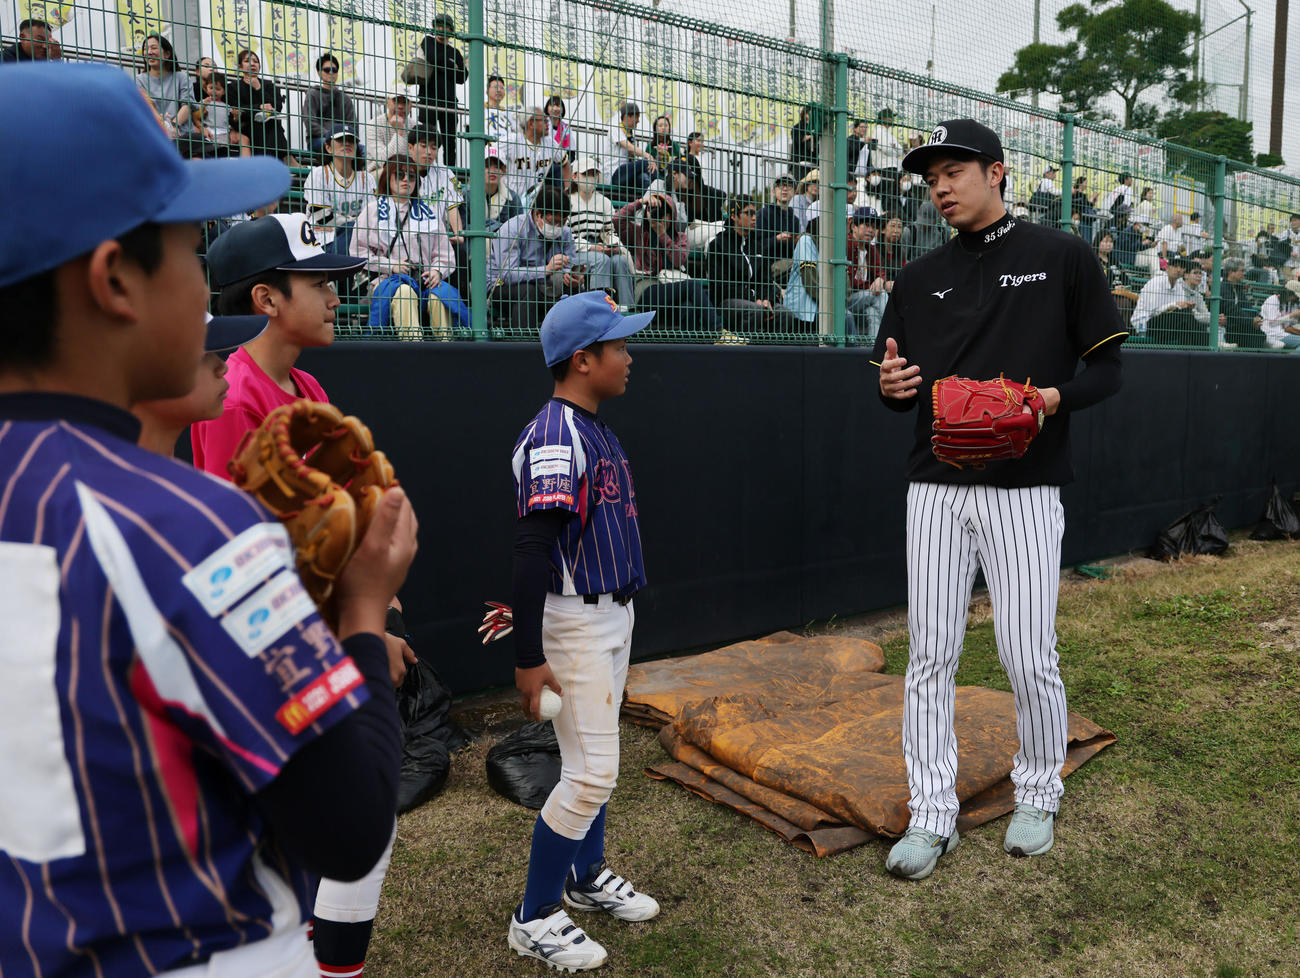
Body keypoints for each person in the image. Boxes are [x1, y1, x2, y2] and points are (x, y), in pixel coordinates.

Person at [0, 61, 414, 977]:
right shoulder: (190, 524)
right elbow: (347, 826)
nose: (205, 288)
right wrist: (363, 614)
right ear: (115, 280)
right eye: (191, 250)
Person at [873, 119, 1125, 881]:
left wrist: (1049, 398)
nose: (940, 187)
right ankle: (930, 812)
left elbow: (1108, 373)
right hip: (936, 486)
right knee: (929, 654)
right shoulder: (918, 278)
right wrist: (888, 387)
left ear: (997, 172)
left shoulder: (1061, 257)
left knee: (1025, 651)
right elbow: (895, 386)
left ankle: (1039, 790)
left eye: (954, 171)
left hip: (1024, 487)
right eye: (930, 178)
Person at [505, 291, 660, 972]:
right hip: (572, 619)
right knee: (593, 773)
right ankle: (534, 914)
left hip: (608, 612)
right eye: (618, 346)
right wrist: (527, 653)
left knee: (595, 764)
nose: (629, 356)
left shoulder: (593, 425)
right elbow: (533, 546)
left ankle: (585, 875)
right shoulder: (555, 434)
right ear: (582, 360)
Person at [191, 212, 367, 475]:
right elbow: (238, 515)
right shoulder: (234, 401)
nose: (334, 300)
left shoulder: (308, 385)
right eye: (319, 284)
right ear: (267, 299)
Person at [350, 155, 464, 340]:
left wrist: (437, 271)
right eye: (399, 174)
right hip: (387, 280)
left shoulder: (430, 212)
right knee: (404, 292)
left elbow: (445, 255)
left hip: (425, 280)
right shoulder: (372, 210)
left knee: (441, 296)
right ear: (388, 177)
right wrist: (391, 265)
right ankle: (413, 348)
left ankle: (446, 348)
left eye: (411, 176)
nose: (405, 180)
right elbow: (358, 252)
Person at [613, 191, 723, 334]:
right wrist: (641, 202)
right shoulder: (639, 234)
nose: (658, 216)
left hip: (672, 290)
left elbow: (679, 260)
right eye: (653, 212)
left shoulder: (680, 238)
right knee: (693, 286)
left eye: (663, 213)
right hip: (647, 290)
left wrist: (662, 235)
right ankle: (718, 331)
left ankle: (690, 349)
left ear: (672, 216)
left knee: (688, 307)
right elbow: (617, 220)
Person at [488, 183, 585, 332]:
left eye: (563, 221)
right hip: (501, 287)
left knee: (576, 291)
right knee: (528, 290)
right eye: (553, 221)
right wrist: (546, 270)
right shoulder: (513, 228)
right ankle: (524, 343)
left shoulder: (565, 233)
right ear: (538, 214)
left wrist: (572, 278)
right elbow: (506, 274)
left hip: (545, 287)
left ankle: (570, 346)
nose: (558, 226)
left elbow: (569, 266)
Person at [705, 195, 798, 335]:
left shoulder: (757, 245)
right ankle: (747, 352)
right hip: (727, 302)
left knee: (785, 313)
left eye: (755, 213)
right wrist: (755, 299)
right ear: (734, 216)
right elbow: (721, 286)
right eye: (748, 213)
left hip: (755, 301)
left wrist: (767, 299)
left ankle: (773, 353)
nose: (754, 217)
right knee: (755, 310)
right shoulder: (718, 245)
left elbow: (765, 280)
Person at [569, 156, 635, 308]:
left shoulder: (604, 201)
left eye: (594, 174)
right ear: (574, 176)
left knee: (620, 261)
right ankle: (599, 308)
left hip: (600, 248)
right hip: (576, 252)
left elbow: (609, 230)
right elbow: (567, 237)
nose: (591, 178)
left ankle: (627, 309)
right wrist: (593, 248)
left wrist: (614, 245)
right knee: (601, 260)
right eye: (586, 174)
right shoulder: (567, 200)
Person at [303, 125, 375, 253]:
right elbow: (321, 216)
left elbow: (370, 218)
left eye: (351, 140)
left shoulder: (366, 178)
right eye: (341, 140)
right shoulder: (319, 174)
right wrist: (352, 224)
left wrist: (351, 225)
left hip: (358, 241)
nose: (347, 143)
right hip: (322, 242)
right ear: (328, 148)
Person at [406, 13, 466, 167]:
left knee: (449, 143)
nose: (441, 30)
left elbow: (462, 77)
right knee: (426, 140)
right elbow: (433, 58)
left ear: (451, 31)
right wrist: (452, 66)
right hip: (429, 101)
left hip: (450, 104)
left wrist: (444, 65)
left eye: (445, 27)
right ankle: (425, 171)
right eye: (438, 26)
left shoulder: (456, 52)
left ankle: (451, 174)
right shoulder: (428, 41)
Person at [227, 48, 299, 166]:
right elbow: (237, 110)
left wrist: (258, 89)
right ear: (240, 67)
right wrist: (259, 107)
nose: (252, 64)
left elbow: (277, 107)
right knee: (266, 125)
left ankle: (276, 163)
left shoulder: (268, 85)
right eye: (247, 61)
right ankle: (287, 159)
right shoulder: (233, 87)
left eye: (255, 61)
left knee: (271, 123)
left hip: (268, 126)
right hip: (247, 127)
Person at [781, 215, 851, 336]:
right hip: (805, 309)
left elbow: (846, 286)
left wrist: (839, 301)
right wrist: (834, 301)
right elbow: (810, 283)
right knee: (846, 316)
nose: (847, 231)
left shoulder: (837, 245)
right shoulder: (806, 241)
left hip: (828, 304)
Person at [135, 33, 197, 145]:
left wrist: (173, 125)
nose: (149, 52)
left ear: (167, 54)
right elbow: (145, 108)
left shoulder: (182, 77)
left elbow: (187, 105)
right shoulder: (139, 80)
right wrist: (163, 126)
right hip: (155, 135)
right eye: (145, 49)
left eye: (154, 48)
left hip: (183, 135)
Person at [501, 105, 570, 202]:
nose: (548, 123)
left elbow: (565, 162)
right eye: (544, 120)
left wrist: (568, 190)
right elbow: (490, 155)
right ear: (531, 124)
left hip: (534, 202)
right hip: (510, 201)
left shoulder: (549, 142)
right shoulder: (512, 140)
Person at [1130, 254, 1203, 345]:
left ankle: (1194, 354)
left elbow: (1179, 309)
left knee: (1187, 320)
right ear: (1167, 267)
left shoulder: (1179, 287)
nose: (1178, 269)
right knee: (1184, 316)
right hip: (1146, 325)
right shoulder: (1155, 283)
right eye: (1175, 266)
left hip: (1167, 325)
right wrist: (1174, 305)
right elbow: (1153, 312)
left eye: (1182, 267)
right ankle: (1205, 350)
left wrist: (1187, 307)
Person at [303, 52, 360, 154]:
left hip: (343, 140)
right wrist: (331, 135)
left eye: (334, 70)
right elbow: (310, 122)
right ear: (319, 72)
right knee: (334, 146)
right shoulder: (312, 94)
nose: (331, 73)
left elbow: (353, 125)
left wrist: (343, 137)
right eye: (326, 70)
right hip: (320, 139)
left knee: (364, 151)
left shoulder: (345, 99)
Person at [753, 172, 800, 283]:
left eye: (789, 186)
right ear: (773, 191)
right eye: (780, 186)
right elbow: (756, 246)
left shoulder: (795, 220)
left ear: (795, 192)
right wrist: (777, 239)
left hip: (789, 267)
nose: (784, 189)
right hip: (768, 266)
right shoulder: (763, 214)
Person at [194, 69, 253, 158]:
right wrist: (203, 106)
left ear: (224, 91)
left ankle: (246, 164)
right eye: (211, 88)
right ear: (206, 89)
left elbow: (233, 122)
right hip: (209, 131)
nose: (214, 91)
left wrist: (236, 116)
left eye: (218, 89)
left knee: (240, 141)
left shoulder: (227, 106)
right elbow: (196, 117)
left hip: (225, 133)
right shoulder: (204, 102)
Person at [361, 84, 416, 176]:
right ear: (387, 102)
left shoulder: (416, 126)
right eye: (396, 101)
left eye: (404, 102)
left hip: (409, 174)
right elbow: (385, 161)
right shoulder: (373, 125)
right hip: (379, 173)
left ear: (411, 106)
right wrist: (399, 131)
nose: (400, 106)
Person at [607, 101, 656, 196]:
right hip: (615, 174)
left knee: (644, 177)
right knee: (645, 163)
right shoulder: (615, 128)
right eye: (636, 117)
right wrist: (648, 156)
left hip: (627, 176)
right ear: (627, 117)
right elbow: (628, 146)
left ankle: (650, 203)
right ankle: (661, 187)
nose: (638, 121)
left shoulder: (630, 135)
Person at [1219, 257, 1267, 349]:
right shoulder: (1223, 288)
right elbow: (1232, 310)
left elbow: (1247, 305)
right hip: (1228, 327)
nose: (1244, 273)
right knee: (1255, 337)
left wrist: (1257, 317)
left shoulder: (1238, 288)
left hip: (1239, 325)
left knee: (1259, 335)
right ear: (1231, 272)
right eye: (1241, 271)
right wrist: (1250, 321)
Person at [483, 148, 524, 232]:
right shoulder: (466, 194)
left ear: (503, 171)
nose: (492, 171)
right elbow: (462, 227)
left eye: (497, 166)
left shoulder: (513, 198)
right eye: (487, 166)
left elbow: (519, 230)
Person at [1261, 279, 1300, 351]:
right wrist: (1292, 315)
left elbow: (1289, 323)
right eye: (1294, 296)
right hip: (1272, 333)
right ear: (1288, 293)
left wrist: (1296, 318)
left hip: (1282, 333)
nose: (1295, 299)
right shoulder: (1272, 299)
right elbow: (1272, 323)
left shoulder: (1287, 304)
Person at [789, 104, 817, 182]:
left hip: (814, 164)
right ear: (805, 114)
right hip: (800, 163)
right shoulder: (798, 127)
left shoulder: (815, 127)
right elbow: (798, 140)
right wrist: (811, 136)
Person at [485, 72, 515, 144]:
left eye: (502, 88)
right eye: (495, 87)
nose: (499, 90)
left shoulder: (509, 113)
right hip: (487, 150)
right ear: (487, 91)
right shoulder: (480, 109)